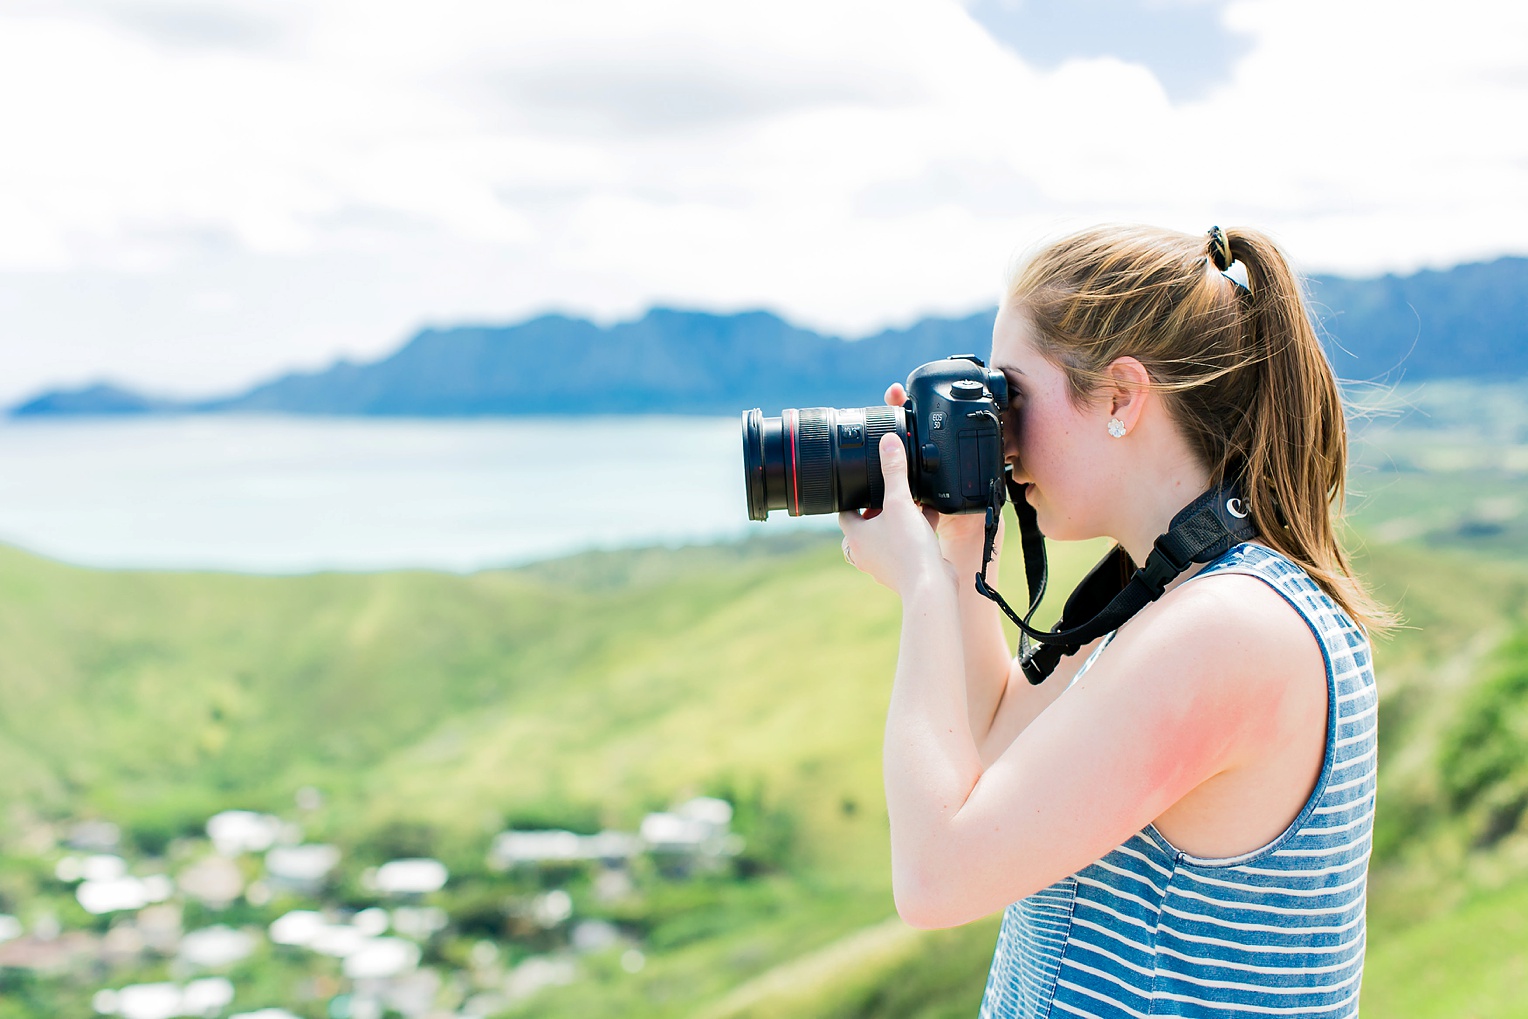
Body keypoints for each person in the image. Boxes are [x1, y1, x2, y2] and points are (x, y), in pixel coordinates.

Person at [838, 224, 1385, 1018]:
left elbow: (934, 876)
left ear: (1123, 397)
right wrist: (956, 550)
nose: (1003, 438)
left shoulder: (1227, 630)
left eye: (1012, 397)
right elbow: (992, 749)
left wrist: (921, 589)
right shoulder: (1165, 595)